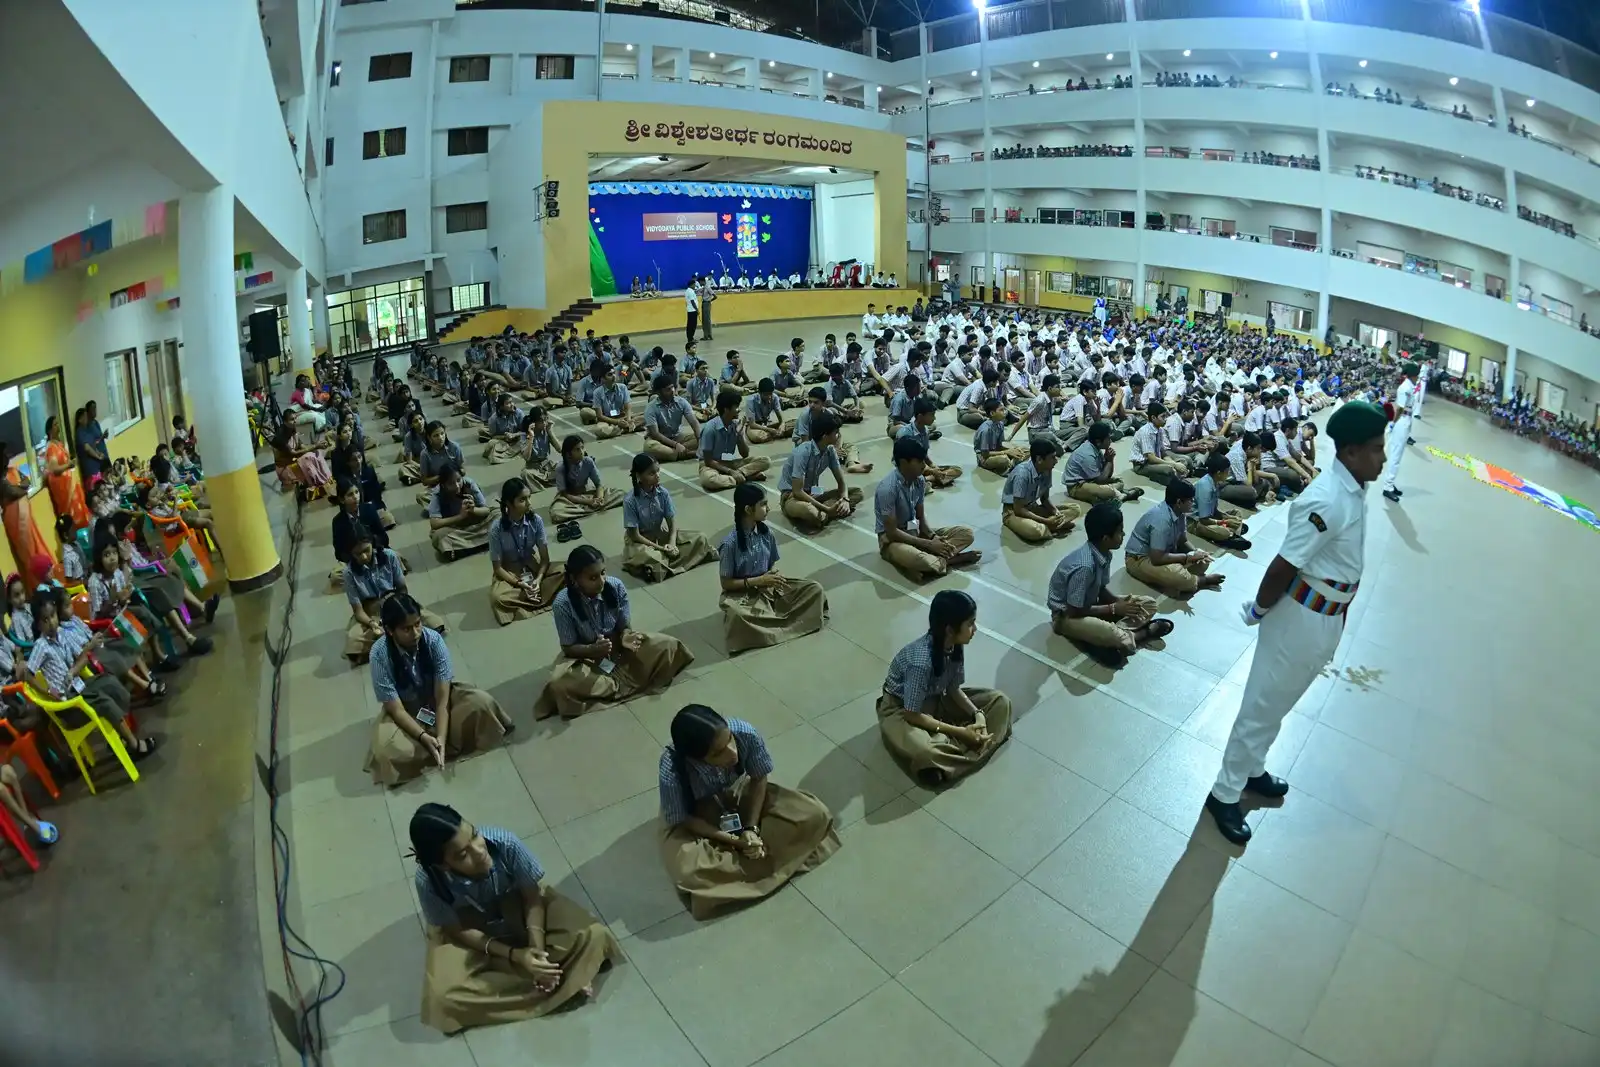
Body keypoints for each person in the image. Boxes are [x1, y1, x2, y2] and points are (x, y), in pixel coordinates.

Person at [1205, 402, 1388, 844]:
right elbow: (1283, 567)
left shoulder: (1352, 488)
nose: (1384, 458)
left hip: (1325, 617)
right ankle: (1224, 793)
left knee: (1280, 702)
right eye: (1377, 449)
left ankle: (1252, 769)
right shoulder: (1326, 499)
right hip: (1298, 618)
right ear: (1350, 451)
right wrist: (1260, 610)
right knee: (1262, 703)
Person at [410, 803, 620, 1033]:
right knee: (443, 997)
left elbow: (532, 898)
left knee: (592, 934)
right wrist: (517, 955)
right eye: (462, 854)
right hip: (471, 931)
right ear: (442, 865)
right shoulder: (429, 881)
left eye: (474, 835)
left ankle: (541, 977)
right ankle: (564, 977)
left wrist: (537, 954)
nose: (479, 851)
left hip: (520, 909)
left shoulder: (504, 843)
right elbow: (456, 930)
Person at [658, 705, 840, 919]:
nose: (732, 753)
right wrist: (735, 841)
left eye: (729, 740)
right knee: (688, 871)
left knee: (813, 813)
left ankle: (736, 876)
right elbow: (685, 820)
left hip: (739, 791)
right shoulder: (671, 770)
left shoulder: (745, 732)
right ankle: (766, 863)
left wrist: (751, 828)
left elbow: (759, 778)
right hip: (698, 812)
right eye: (718, 753)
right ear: (696, 759)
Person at [533, 545, 694, 720]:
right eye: (593, 577)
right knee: (559, 684)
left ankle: (608, 687)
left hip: (620, 649)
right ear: (574, 579)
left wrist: (625, 636)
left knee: (668, 645)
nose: (602, 581)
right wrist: (592, 650)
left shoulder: (616, 586)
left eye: (603, 573)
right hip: (586, 658)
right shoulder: (562, 604)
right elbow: (568, 648)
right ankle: (613, 684)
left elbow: (624, 627)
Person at [364, 596, 511, 785]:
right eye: (406, 629)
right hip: (405, 711)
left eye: (417, 624)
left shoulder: (433, 640)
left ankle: (438, 748)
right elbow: (396, 710)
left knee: (482, 703)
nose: (416, 632)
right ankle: (432, 746)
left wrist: (440, 739)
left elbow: (442, 700)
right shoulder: (379, 654)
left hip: (438, 702)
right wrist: (424, 737)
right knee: (388, 748)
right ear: (390, 631)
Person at [877, 590, 1011, 787]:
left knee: (1000, 702)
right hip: (901, 711)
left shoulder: (955, 645)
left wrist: (978, 715)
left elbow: (954, 690)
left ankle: (950, 755)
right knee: (927, 752)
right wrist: (960, 732)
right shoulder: (920, 661)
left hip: (935, 699)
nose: (975, 629)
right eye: (970, 623)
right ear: (950, 630)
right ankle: (957, 747)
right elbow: (912, 714)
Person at [24, 588, 158, 760]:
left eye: (53, 616)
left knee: (109, 682)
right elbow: (28, 676)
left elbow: (83, 657)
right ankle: (133, 744)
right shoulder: (40, 646)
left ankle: (119, 737)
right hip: (69, 705)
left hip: (79, 689)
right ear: (38, 625)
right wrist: (50, 693)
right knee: (105, 702)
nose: (51, 622)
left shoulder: (62, 635)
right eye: (45, 620)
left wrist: (73, 670)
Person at [1048, 502, 1171, 665]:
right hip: (1066, 617)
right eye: (1120, 531)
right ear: (1106, 538)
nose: (1124, 534)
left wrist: (1117, 602)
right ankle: (1138, 635)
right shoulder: (1084, 567)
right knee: (1113, 631)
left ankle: (1103, 639)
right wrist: (1113, 609)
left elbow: (1100, 589)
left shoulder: (1104, 554)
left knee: (1148, 604)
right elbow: (1074, 610)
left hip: (1090, 604)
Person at [717, 483, 826, 653]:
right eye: (763, 504)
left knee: (814, 589)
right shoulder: (730, 544)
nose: (768, 508)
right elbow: (726, 584)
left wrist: (772, 577)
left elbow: (770, 566)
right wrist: (758, 581)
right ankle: (783, 624)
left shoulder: (767, 534)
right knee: (737, 616)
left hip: (767, 587)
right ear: (748, 509)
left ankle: (769, 626)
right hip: (743, 593)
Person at [874, 436, 980, 578]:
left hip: (914, 531)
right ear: (904, 462)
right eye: (919, 461)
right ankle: (953, 559)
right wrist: (929, 545)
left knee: (966, 533)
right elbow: (892, 532)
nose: (924, 465)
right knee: (919, 559)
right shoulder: (888, 489)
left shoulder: (919, 482)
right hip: (893, 541)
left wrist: (933, 537)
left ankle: (936, 561)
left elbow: (920, 519)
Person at [344, 526, 445, 662]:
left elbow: (402, 589)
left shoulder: (389, 556)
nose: (363, 556)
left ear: (372, 544)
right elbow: (358, 610)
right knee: (353, 640)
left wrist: (398, 610)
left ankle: (388, 644)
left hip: (395, 602)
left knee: (435, 623)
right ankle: (401, 639)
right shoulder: (349, 573)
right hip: (371, 612)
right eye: (357, 554)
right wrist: (373, 624)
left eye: (366, 551)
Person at [1122, 479, 1226, 595]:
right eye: (1190, 500)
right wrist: (1187, 558)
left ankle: (1183, 573)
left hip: (1164, 552)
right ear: (1179, 502)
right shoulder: (1161, 520)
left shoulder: (1180, 513)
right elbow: (1157, 559)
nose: (1193, 502)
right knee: (1180, 579)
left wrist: (1196, 553)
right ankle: (1201, 580)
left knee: (1202, 562)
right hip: (1141, 558)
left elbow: (1183, 541)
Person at [621, 453, 714, 583]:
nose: (657, 475)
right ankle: (663, 562)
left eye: (658, 471)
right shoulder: (630, 500)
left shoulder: (663, 493)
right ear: (639, 476)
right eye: (651, 473)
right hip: (641, 543)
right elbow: (635, 536)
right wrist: (661, 548)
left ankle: (661, 566)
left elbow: (672, 523)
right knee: (651, 556)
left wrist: (672, 543)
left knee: (701, 538)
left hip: (660, 535)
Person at [488, 478, 564, 626]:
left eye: (529, 497)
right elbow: (498, 568)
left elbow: (545, 559)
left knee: (567, 570)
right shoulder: (496, 529)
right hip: (509, 572)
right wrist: (519, 583)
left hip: (533, 565)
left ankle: (530, 594)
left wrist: (538, 579)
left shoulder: (536, 520)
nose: (529, 503)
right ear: (509, 504)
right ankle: (537, 595)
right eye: (522, 499)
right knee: (497, 597)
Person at [779, 411, 863, 529]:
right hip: (792, 496)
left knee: (857, 492)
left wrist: (845, 499)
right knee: (810, 512)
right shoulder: (803, 452)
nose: (838, 436)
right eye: (836, 433)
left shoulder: (830, 451)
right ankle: (827, 511)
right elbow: (798, 491)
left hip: (814, 491)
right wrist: (827, 508)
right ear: (825, 436)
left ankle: (826, 513)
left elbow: (841, 483)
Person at [1002, 438, 1079, 541]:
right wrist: (1046, 521)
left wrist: (1055, 512)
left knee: (1075, 509)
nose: (1056, 461)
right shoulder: (1022, 474)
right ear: (1039, 459)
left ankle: (1051, 526)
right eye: (1052, 457)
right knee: (1035, 531)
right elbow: (1018, 509)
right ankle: (1050, 526)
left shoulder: (1047, 469)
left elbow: (1045, 499)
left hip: (1032, 508)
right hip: (1014, 512)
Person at [697, 390, 770, 492]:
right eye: (736, 407)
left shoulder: (735, 425)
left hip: (729, 461)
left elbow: (745, 454)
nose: (739, 410)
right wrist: (731, 471)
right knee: (710, 480)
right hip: (711, 465)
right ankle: (746, 476)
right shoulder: (710, 429)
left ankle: (739, 476)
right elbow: (708, 461)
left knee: (765, 461)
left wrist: (739, 436)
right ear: (726, 410)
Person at [1062, 422, 1144, 505]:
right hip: (1076, 486)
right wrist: (1108, 460)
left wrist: (1110, 460)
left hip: (1091, 481)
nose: (1111, 441)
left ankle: (1114, 494)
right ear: (1098, 441)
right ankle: (1118, 495)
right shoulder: (1088, 455)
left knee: (1119, 481)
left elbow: (1107, 474)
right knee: (1107, 492)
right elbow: (1100, 480)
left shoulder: (1095, 449)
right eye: (1108, 438)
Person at [550, 436, 625, 526]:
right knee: (557, 512)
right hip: (569, 499)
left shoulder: (588, 461)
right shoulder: (560, 468)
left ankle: (588, 508)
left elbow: (599, 484)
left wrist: (599, 498)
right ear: (568, 454)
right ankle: (589, 507)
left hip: (586, 493)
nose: (582, 452)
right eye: (577, 449)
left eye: (582, 448)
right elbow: (565, 494)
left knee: (621, 494)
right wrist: (588, 502)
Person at [427, 465, 495, 559]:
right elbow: (434, 523)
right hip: (456, 528)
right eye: (451, 483)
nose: (457, 486)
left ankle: (462, 548)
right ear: (443, 485)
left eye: (459, 480)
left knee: (498, 513)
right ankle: (486, 541)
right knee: (438, 536)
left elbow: (486, 510)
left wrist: (473, 509)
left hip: (476, 523)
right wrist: (460, 516)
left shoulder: (469, 484)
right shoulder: (438, 494)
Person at [1188, 452, 1253, 550]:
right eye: (1227, 471)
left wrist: (1228, 517)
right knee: (1224, 532)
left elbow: (1214, 511)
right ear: (1219, 473)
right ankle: (1229, 535)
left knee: (1237, 513)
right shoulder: (1205, 488)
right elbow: (1203, 519)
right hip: (1195, 522)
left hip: (1208, 516)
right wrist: (1226, 521)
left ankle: (1231, 532)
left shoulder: (1215, 482)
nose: (1228, 473)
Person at [1382, 361, 1420, 503]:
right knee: (1396, 456)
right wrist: (1393, 423)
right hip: (1401, 421)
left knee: (1398, 454)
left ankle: (1390, 484)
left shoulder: (1410, 386)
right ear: (1412, 375)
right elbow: (1399, 408)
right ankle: (1388, 487)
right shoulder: (1405, 388)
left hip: (1406, 420)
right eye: (1416, 375)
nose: (1418, 378)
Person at [41, 415, 90, 528]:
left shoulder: (59, 444)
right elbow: (54, 469)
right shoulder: (51, 447)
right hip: (64, 490)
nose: (58, 426)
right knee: (73, 518)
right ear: (49, 430)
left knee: (80, 513)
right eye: (55, 424)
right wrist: (69, 464)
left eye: (58, 423)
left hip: (70, 486)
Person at [642, 374, 701, 462]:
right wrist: (676, 445)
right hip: (659, 440)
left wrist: (701, 442)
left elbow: (694, 422)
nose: (672, 391)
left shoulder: (681, 402)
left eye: (672, 387)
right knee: (650, 447)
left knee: (705, 437)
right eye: (668, 390)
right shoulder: (651, 408)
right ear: (658, 392)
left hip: (677, 437)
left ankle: (678, 453)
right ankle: (691, 454)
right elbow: (655, 434)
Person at [973, 397, 1030, 474]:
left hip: (997, 452)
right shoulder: (985, 430)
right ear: (992, 413)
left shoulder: (1000, 424)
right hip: (985, 458)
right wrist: (1006, 452)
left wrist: (1013, 450)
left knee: (1025, 450)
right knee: (1004, 459)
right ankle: (1010, 465)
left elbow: (1000, 446)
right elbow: (985, 454)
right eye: (1001, 410)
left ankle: (1009, 466)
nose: (1005, 412)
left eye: (1004, 409)